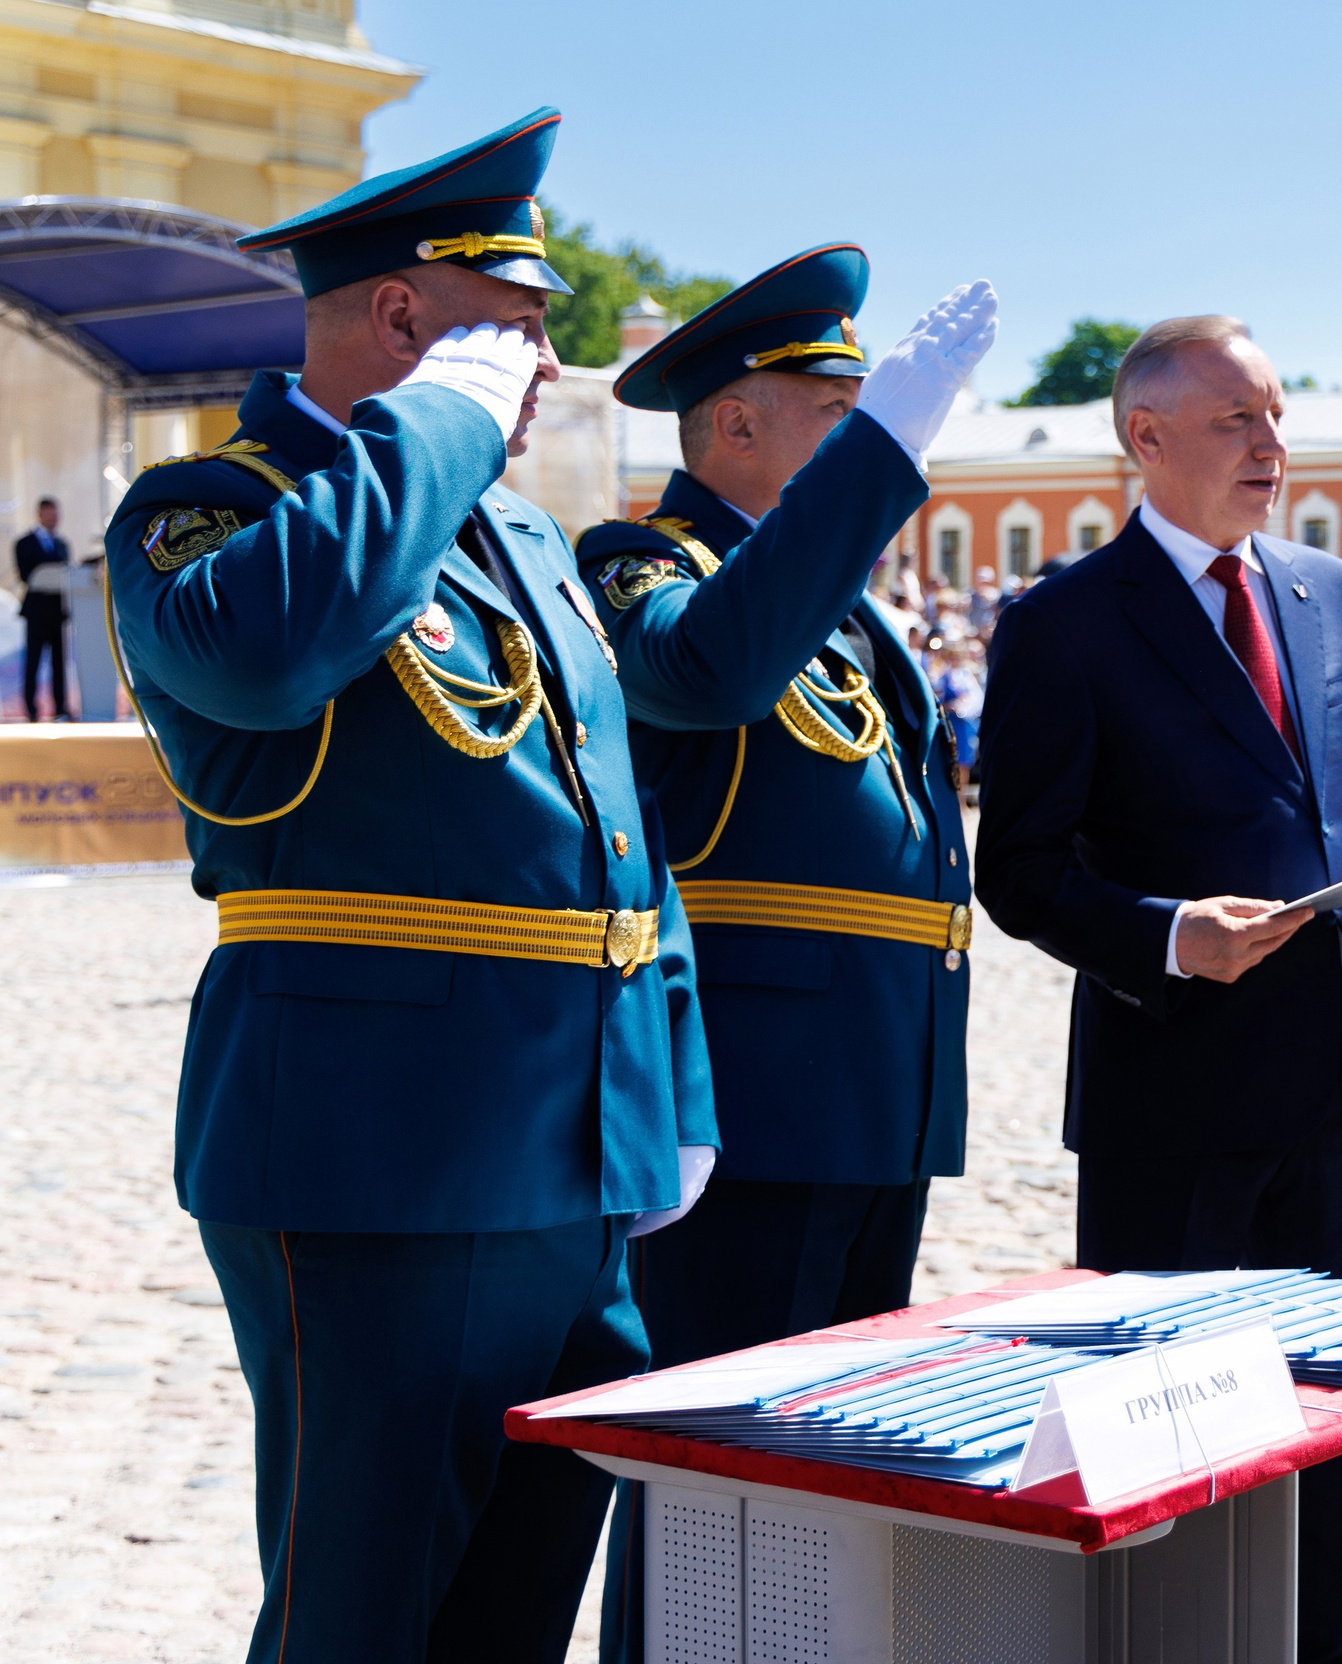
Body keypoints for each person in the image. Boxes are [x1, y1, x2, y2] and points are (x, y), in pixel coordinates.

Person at [102, 110, 716, 1663]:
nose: (547, 371)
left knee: (515, 1612)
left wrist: (677, 1088)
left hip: (577, 1161)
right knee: (363, 1619)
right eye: (517, 332)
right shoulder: (211, 515)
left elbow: (617, 834)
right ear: (403, 321)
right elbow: (272, 653)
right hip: (377, 1157)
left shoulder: (516, 531)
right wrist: (436, 419)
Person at [972, 315, 1342, 1664]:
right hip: (1174, 1100)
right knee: (1174, 1429)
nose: (1273, 446)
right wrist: (1164, 934)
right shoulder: (1063, 625)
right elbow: (1017, 871)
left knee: (1333, 1417)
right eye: (1236, 421)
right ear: (1145, 440)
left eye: (1276, 415)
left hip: (1335, 1077)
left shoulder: (1326, 588)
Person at [570, 251, 994, 1657]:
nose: (873, 442)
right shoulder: (641, 565)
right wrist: (887, 458)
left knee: (837, 1476)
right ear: (735, 424)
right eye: (839, 412)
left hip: (873, 1088)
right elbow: (713, 673)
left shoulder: (844, 601)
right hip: (752, 1101)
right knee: (717, 1478)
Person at [14, 496, 70, 719]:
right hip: (37, 611)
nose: (54, 518)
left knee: (59, 663)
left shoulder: (62, 544)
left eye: (56, 514)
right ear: (40, 514)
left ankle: (61, 708)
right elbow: (27, 575)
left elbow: (69, 575)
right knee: (33, 662)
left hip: (57, 611)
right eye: (50, 513)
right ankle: (31, 708)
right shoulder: (24, 543)